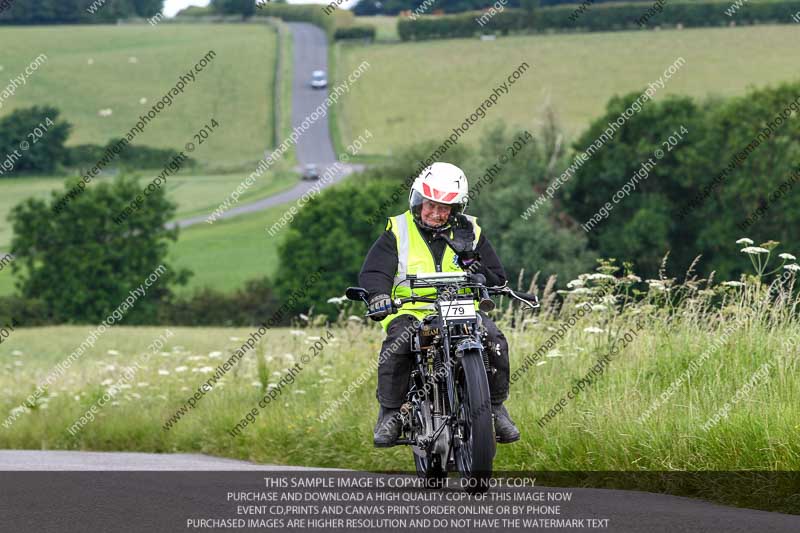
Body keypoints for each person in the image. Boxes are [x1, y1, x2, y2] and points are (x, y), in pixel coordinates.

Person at [358, 162, 520, 447]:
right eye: (430, 205)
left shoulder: (470, 231)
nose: (435, 213)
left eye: (444, 208)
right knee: (400, 341)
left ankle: (494, 410)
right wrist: (378, 296)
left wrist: (478, 269)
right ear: (418, 201)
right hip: (411, 309)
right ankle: (391, 413)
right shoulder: (398, 230)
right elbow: (375, 272)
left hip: (460, 308)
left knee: (493, 338)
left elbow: (497, 276)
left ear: (455, 209)